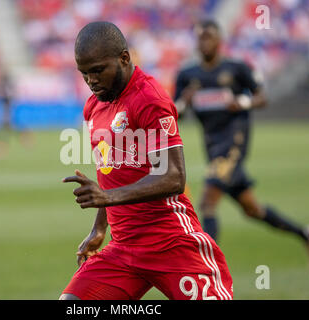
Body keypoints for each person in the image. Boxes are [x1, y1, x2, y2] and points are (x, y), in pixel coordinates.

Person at [59, 21, 233, 300]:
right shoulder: (94, 106)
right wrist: (99, 227)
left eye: (98, 71)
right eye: (84, 74)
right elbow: (111, 173)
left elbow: (174, 177)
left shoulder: (149, 98)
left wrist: (107, 196)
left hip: (170, 241)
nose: (91, 80)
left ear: (124, 58)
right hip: (124, 248)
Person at [174, 20, 309, 271]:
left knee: (207, 202)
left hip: (234, 141)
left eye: (209, 37)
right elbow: (174, 114)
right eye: (200, 38)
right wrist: (184, 103)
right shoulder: (187, 75)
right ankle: (306, 234)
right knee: (252, 209)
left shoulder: (237, 68)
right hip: (212, 146)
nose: (204, 42)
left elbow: (261, 97)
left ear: (219, 40)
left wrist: (241, 103)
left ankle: (207, 268)